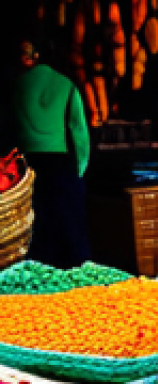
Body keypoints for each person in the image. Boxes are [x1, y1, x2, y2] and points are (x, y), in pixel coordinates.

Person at [9, 40, 91, 267]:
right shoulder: (66, 84)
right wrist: (80, 169)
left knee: (35, 226)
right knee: (68, 224)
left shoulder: (15, 85)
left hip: (26, 164)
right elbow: (79, 131)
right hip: (61, 163)